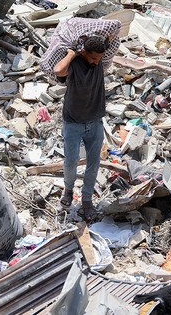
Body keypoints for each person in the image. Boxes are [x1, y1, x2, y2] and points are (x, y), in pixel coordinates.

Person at [42, 18, 121, 220]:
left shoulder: (101, 61)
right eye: (94, 58)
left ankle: (87, 200)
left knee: (94, 163)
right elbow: (58, 71)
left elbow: (114, 29)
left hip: (95, 121)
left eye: (99, 59)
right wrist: (71, 52)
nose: (97, 62)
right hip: (73, 122)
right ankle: (68, 190)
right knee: (71, 162)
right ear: (84, 53)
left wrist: (103, 42)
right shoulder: (74, 64)